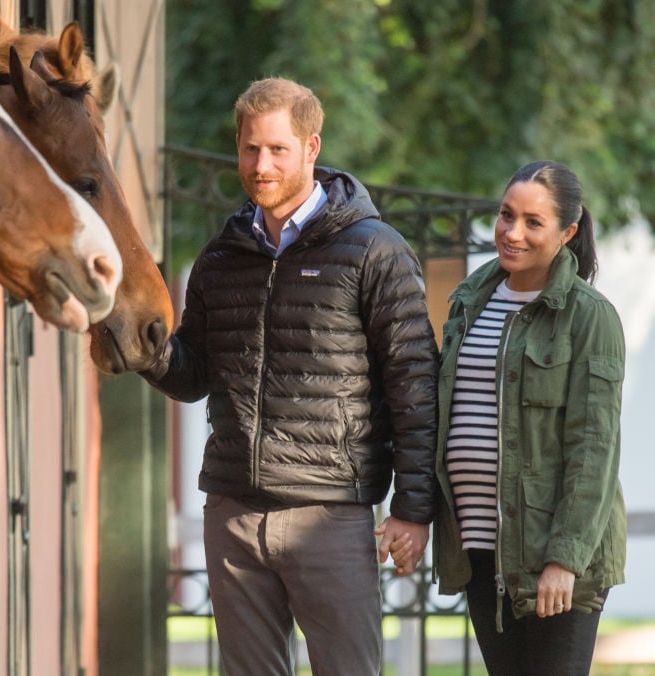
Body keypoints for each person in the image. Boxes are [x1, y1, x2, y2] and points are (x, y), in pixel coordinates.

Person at [142, 77, 438, 675]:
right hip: (233, 512)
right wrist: (144, 351)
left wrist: (412, 507)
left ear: (311, 147)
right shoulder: (221, 256)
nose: (261, 164)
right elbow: (194, 373)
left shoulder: (374, 250)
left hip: (328, 511)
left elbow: (414, 383)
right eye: (251, 148)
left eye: (277, 149)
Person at [433, 160, 627, 675]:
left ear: (567, 232)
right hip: (482, 549)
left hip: (553, 556)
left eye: (533, 223)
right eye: (505, 215)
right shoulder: (469, 304)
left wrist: (564, 559)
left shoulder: (590, 317)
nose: (512, 233)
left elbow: (595, 448)